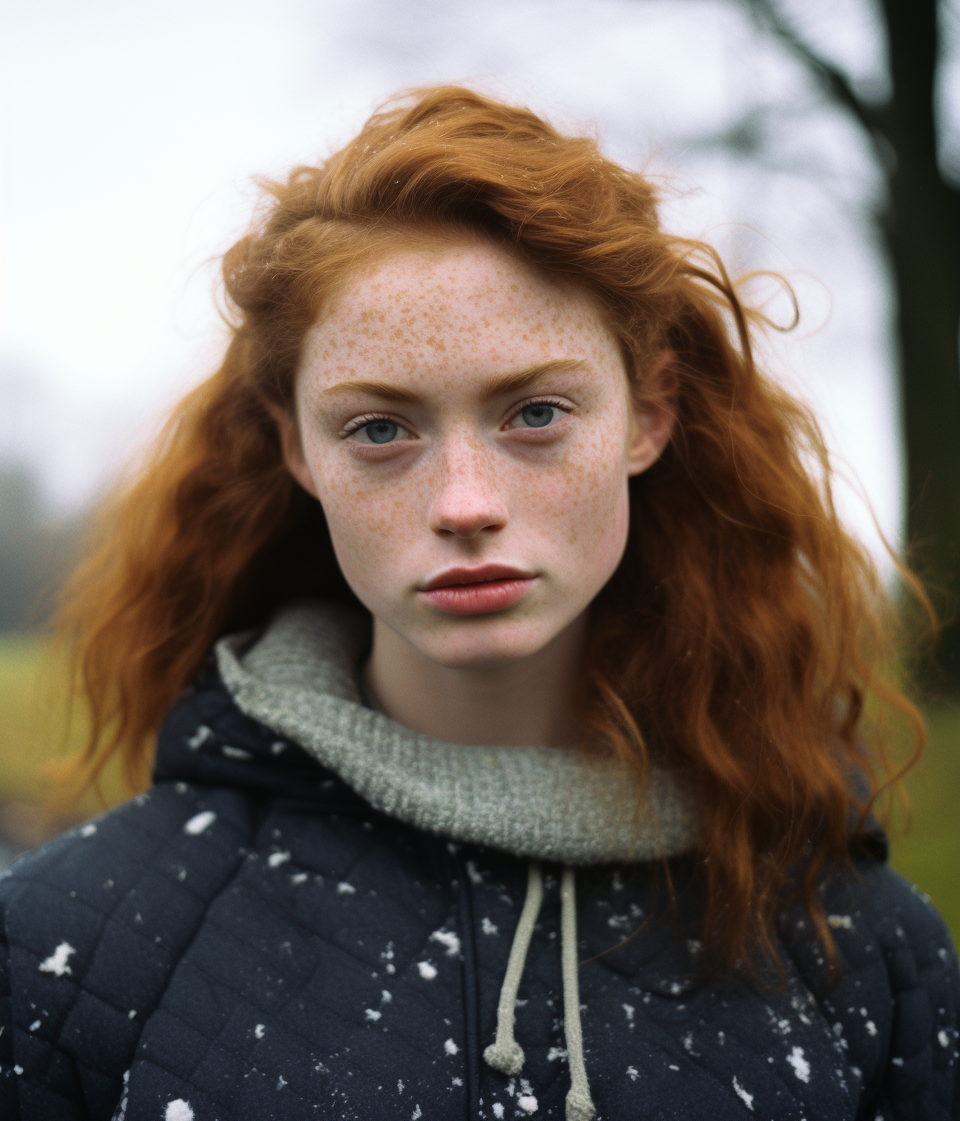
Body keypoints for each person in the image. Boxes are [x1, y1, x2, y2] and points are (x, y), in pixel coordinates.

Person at [1, 86, 957, 1121]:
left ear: (649, 413)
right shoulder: (72, 946)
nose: (466, 504)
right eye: (379, 430)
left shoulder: (864, 955)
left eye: (536, 413)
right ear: (297, 449)